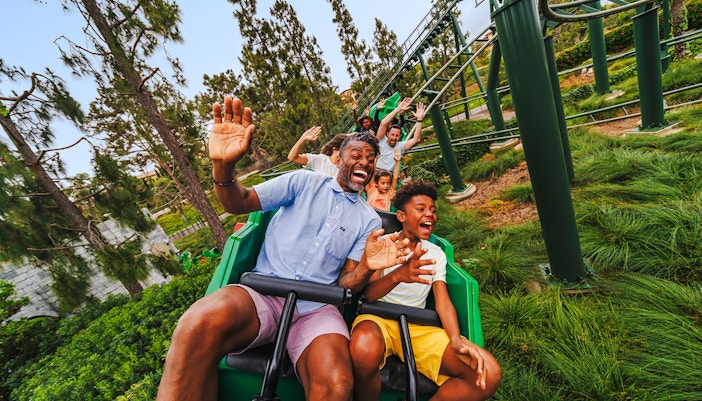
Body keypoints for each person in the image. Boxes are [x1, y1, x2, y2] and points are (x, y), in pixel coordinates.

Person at [156, 96, 413, 401]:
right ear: (340, 158)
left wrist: (366, 267)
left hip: (316, 310)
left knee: (336, 384)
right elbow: (238, 202)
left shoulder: (369, 220)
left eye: (371, 158)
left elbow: (347, 284)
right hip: (263, 292)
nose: (365, 163)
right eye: (357, 154)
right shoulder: (303, 182)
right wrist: (223, 167)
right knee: (197, 325)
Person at [350, 180, 502, 401]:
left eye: (433, 210)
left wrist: (455, 339)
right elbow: (370, 295)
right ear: (401, 216)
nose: (429, 214)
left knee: (489, 373)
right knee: (363, 350)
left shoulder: (436, 253)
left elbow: (443, 303)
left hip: (416, 325)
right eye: (421, 209)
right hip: (377, 319)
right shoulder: (383, 244)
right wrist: (398, 275)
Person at [375, 97, 426, 171]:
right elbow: (383, 124)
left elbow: (416, 139)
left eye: (397, 136)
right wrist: (398, 109)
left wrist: (419, 119)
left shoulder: (400, 147)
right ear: (387, 134)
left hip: (388, 177)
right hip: (375, 174)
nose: (394, 138)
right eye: (392, 135)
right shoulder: (381, 140)